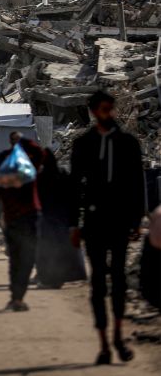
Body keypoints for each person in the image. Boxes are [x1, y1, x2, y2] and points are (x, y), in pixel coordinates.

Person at [70, 91, 145, 365]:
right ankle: (103, 342)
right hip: (94, 221)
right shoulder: (84, 144)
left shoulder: (127, 143)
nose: (108, 113)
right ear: (93, 111)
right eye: (103, 109)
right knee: (98, 282)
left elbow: (137, 184)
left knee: (119, 280)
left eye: (110, 108)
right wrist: (73, 224)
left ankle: (118, 337)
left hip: (120, 220)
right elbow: (75, 187)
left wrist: (137, 220)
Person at [0, 137, 43, 312]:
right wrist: (23, 142)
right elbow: (40, 153)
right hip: (30, 219)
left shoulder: (4, 174)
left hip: (12, 220)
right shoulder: (30, 169)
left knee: (16, 259)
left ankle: (15, 297)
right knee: (27, 259)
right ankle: (18, 297)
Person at [35, 147, 86, 289]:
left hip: (47, 221)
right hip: (62, 220)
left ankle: (48, 280)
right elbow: (74, 196)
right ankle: (59, 277)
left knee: (46, 251)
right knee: (61, 250)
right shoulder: (62, 174)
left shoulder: (40, 177)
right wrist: (73, 220)